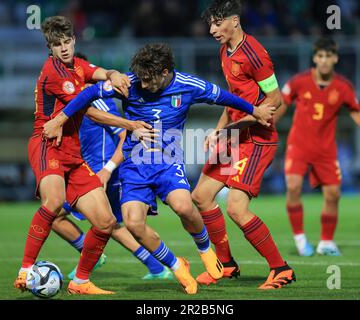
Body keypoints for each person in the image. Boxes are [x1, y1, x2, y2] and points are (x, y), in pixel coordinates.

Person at [43, 43, 275, 294]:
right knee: (133, 223)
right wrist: (60, 119)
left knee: (184, 206)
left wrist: (254, 110)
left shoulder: (188, 85)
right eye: (140, 79)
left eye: (148, 79)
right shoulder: (129, 82)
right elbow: (87, 96)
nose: (142, 85)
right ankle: (177, 266)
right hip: (134, 165)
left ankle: (206, 250)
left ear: (165, 72)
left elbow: (224, 96)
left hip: (168, 160)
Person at [13, 16, 154, 295]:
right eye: (57, 44)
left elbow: (100, 76)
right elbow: (86, 105)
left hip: (73, 153)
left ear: (74, 41)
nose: (64, 48)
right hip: (47, 143)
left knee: (105, 221)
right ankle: (26, 269)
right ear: (49, 47)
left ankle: (81, 281)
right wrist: (129, 123)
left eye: (67, 42)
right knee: (53, 203)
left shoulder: (77, 65)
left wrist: (113, 73)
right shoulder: (54, 72)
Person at [190, 0, 295, 290]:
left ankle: (280, 268)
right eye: (210, 24)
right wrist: (219, 130)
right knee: (201, 196)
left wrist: (239, 126)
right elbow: (233, 99)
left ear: (234, 21)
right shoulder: (225, 50)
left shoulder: (255, 53)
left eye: (216, 23)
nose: (211, 29)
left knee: (236, 207)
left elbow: (275, 100)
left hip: (257, 140)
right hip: (234, 136)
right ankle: (226, 265)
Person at [51, 53, 173, 281]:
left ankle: (93, 257)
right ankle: (156, 267)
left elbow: (125, 135)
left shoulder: (96, 101)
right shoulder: (77, 102)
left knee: (58, 213)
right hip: (94, 171)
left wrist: (107, 169)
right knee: (111, 223)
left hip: (104, 172)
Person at [274, 37, 360, 256]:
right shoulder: (298, 82)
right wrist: (268, 126)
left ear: (335, 59)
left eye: (328, 56)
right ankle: (301, 240)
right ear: (314, 58)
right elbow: (282, 104)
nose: (324, 61)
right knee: (293, 187)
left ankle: (326, 242)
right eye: (320, 56)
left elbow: (355, 110)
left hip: (325, 150)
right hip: (299, 145)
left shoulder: (343, 87)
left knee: (333, 195)